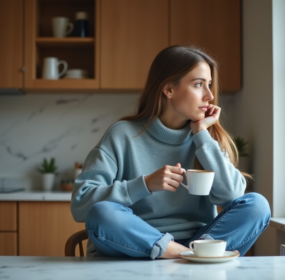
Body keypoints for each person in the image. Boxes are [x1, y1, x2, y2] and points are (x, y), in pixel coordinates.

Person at [71, 45, 271, 259]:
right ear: (169, 90)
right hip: (139, 246)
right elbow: (81, 205)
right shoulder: (123, 135)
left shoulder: (205, 138)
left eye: (209, 85)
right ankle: (189, 256)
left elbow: (231, 195)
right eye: (198, 85)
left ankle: (191, 254)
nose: (210, 96)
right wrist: (144, 184)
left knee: (257, 205)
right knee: (102, 213)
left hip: (200, 240)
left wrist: (201, 135)